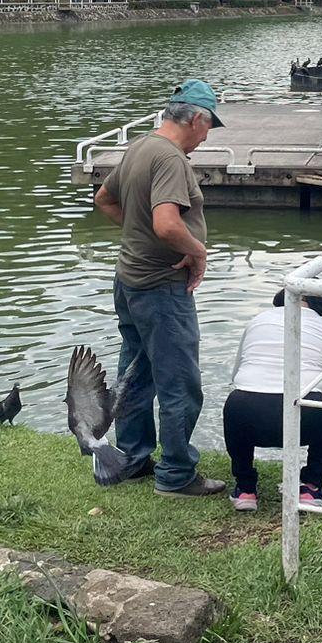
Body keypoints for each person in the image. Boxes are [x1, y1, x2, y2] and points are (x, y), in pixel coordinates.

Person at [92, 79, 226, 497]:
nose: (207, 137)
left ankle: (131, 458)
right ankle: (177, 473)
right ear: (197, 118)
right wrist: (197, 251)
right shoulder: (170, 158)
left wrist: (139, 232)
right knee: (179, 383)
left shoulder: (140, 147)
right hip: (161, 288)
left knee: (135, 373)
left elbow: (104, 199)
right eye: (209, 126)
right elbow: (167, 224)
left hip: (129, 280)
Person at [223, 291, 322, 512]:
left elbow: (237, 374)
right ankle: (310, 487)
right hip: (304, 416)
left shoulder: (258, 320)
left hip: (246, 412)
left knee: (237, 402)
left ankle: (245, 490)